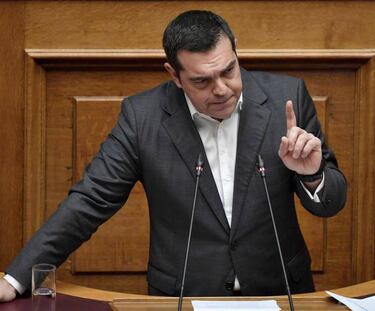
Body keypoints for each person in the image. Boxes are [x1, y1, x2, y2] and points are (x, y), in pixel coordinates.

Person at [0, 10, 346, 301]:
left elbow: (330, 203)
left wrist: (312, 175)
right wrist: (14, 280)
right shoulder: (143, 117)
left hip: (280, 293)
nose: (222, 89)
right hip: (183, 298)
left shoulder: (286, 97)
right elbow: (90, 201)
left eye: (228, 70)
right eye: (202, 81)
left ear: (237, 54)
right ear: (175, 76)